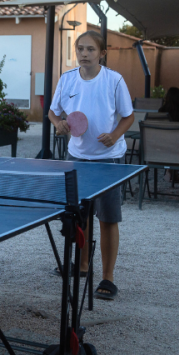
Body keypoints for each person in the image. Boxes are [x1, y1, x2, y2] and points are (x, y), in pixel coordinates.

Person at [48, 30, 134, 301]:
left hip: (108, 160)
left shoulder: (114, 80)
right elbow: (53, 112)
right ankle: (82, 266)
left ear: (102, 54)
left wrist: (115, 135)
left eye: (90, 49)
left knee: (108, 219)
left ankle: (108, 278)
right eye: (80, 49)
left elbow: (128, 116)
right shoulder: (67, 79)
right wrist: (58, 124)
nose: (84, 54)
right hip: (77, 158)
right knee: (79, 217)